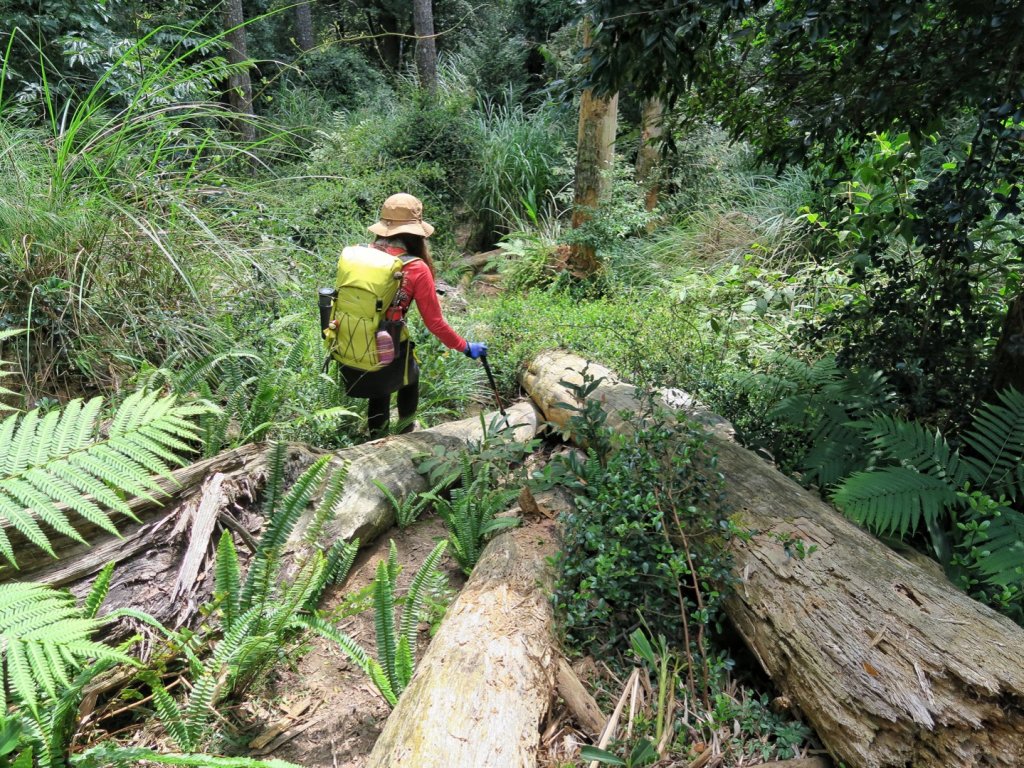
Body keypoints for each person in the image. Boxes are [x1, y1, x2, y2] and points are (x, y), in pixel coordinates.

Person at [338, 193, 487, 437]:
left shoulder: (359, 255)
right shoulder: (415, 267)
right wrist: (465, 346)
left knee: (380, 389)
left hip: (351, 337)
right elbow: (435, 323)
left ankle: (376, 436)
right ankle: (407, 433)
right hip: (390, 339)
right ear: (416, 231)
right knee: (410, 377)